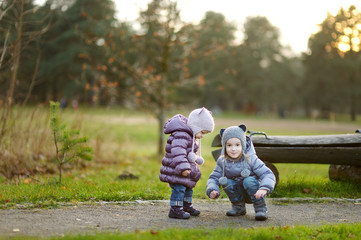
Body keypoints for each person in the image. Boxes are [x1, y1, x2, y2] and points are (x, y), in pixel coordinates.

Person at [206, 124, 275, 221]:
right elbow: (214, 177)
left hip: (255, 192)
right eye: (229, 145)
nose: (233, 149)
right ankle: (238, 207)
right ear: (224, 146)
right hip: (237, 192)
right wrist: (212, 189)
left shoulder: (251, 158)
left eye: (237, 145)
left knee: (249, 180)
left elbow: (267, 174)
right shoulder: (222, 161)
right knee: (226, 182)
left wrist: (264, 188)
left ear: (243, 144)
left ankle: (261, 209)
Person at [159, 107, 215, 219]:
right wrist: (183, 167)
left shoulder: (190, 135)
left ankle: (186, 205)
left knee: (188, 188)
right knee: (179, 189)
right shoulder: (182, 134)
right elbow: (178, 152)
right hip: (177, 169)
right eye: (203, 132)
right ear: (196, 126)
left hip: (186, 169)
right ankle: (175, 209)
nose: (202, 136)